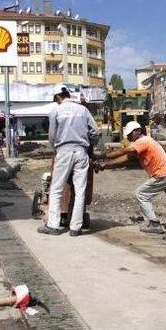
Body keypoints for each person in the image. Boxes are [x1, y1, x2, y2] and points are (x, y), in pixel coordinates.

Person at [96, 121, 166, 239]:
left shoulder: (143, 141)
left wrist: (102, 156)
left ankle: (154, 224)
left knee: (141, 194)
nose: (128, 137)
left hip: (163, 175)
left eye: (130, 134)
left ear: (137, 131)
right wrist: (104, 165)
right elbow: (126, 158)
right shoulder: (142, 143)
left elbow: (123, 151)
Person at [38, 87, 100, 237]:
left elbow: (52, 136)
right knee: (80, 190)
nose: (56, 102)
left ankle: (53, 225)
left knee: (56, 188)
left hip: (64, 151)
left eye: (55, 99)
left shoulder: (56, 111)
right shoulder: (83, 110)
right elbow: (95, 132)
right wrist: (90, 145)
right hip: (81, 152)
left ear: (59, 96)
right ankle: (76, 228)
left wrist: (56, 148)